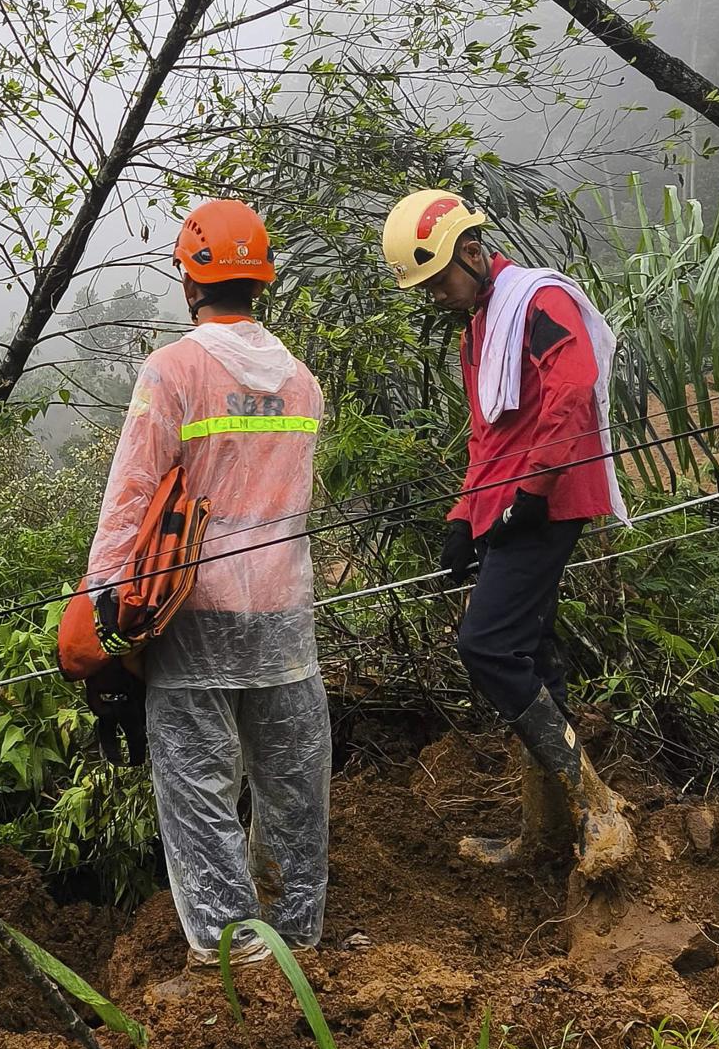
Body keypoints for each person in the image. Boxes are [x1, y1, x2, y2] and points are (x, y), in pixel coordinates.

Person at [85, 198, 332, 971]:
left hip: (192, 612)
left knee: (197, 789)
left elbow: (132, 492)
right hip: (285, 610)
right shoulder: (302, 382)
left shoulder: (174, 370)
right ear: (262, 279)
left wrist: (104, 599)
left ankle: (231, 959)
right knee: (293, 782)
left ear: (189, 277)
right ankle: (297, 937)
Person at [381, 188, 636, 878]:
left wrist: (531, 490)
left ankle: (601, 812)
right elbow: (488, 437)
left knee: (486, 645)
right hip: (513, 504)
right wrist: (462, 520)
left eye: (438, 280)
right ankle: (548, 836)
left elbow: (574, 389)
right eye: (425, 287)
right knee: (532, 658)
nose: (434, 295)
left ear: (470, 250)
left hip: (549, 502)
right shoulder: (481, 326)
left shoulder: (538, 303)